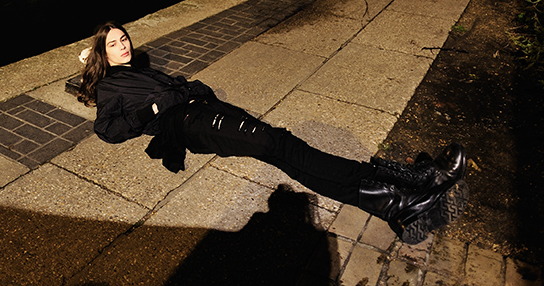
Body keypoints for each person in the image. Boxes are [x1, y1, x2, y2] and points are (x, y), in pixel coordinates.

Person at [77, 21, 468, 244]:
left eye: (124, 38)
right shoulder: (110, 86)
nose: (123, 45)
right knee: (280, 144)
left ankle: (397, 200)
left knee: (285, 154)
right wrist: (153, 108)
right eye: (113, 43)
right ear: (102, 53)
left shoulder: (135, 69)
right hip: (190, 125)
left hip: (205, 112)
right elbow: (107, 130)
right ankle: (406, 187)